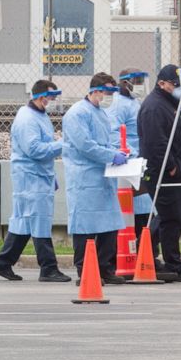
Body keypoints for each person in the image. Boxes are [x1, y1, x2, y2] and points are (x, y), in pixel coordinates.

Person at [0, 79, 70, 283]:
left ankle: (2, 263)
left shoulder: (38, 115)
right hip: (31, 176)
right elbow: (34, 149)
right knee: (39, 220)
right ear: (40, 97)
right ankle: (48, 268)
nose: (50, 102)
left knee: (25, 221)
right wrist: (62, 145)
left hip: (36, 176)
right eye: (49, 98)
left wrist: (50, 176)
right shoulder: (28, 119)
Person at [62, 72, 128, 284]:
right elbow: (85, 145)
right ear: (95, 91)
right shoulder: (77, 114)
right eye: (107, 92)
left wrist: (121, 153)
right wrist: (111, 155)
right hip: (85, 177)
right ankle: (85, 271)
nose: (109, 97)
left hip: (102, 177)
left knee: (109, 225)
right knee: (85, 227)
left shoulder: (100, 113)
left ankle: (105, 269)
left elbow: (106, 140)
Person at [138, 64, 181, 282]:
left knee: (167, 216)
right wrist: (172, 167)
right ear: (161, 83)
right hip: (165, 173)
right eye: (174, 85)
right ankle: (174, 264)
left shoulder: (169, 102)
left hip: (176, 172)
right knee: (171, 218)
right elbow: (156, 143)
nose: (177, 88)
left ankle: (145, 254)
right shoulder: (155, 107)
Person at [106, 68, 153, 241]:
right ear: (125, 83)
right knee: (135, 214)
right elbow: (113, 134)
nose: (140, 86)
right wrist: (133, 154)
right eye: (138, 82)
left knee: (145, 211)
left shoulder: (134, 102)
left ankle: (148, 253)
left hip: (140, 163)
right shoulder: (117, 105)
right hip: (130, 163)